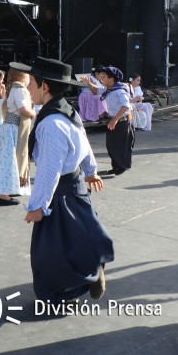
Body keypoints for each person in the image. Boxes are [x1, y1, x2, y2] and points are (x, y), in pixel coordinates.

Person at [10, 57, 114, 303]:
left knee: (49, 254)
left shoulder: (52, 123)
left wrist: (38, 205)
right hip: (74, 187)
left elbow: (50, 170)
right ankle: (87, 275)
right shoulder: (65, 111)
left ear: (45, 86)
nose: (28, 89)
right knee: (73, 244)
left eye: (32, 83)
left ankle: (74, 287)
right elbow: (84, 143)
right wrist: (91, 170)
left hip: (61, 195)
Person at [0, 69, 34, 205]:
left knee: (9, 160)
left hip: (9, 128)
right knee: (9, 161)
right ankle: (4, 195)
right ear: (23, 78)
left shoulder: (12, 89)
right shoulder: (19, 90)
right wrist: (34, 113)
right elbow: (23, 109)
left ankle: (10, 188)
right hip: (13, 129)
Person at [96, 65, 134, 176]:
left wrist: (115, 119)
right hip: (115, 120)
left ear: (112, 79)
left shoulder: (120, 91)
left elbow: (126, 106)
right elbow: (96, 90)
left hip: (121, 121)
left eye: (104, 77)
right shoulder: (109, 90)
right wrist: (88, 83)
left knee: (120, 145)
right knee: (112, 145)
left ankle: (121, 167)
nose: (101, 79)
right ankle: (116, 166)